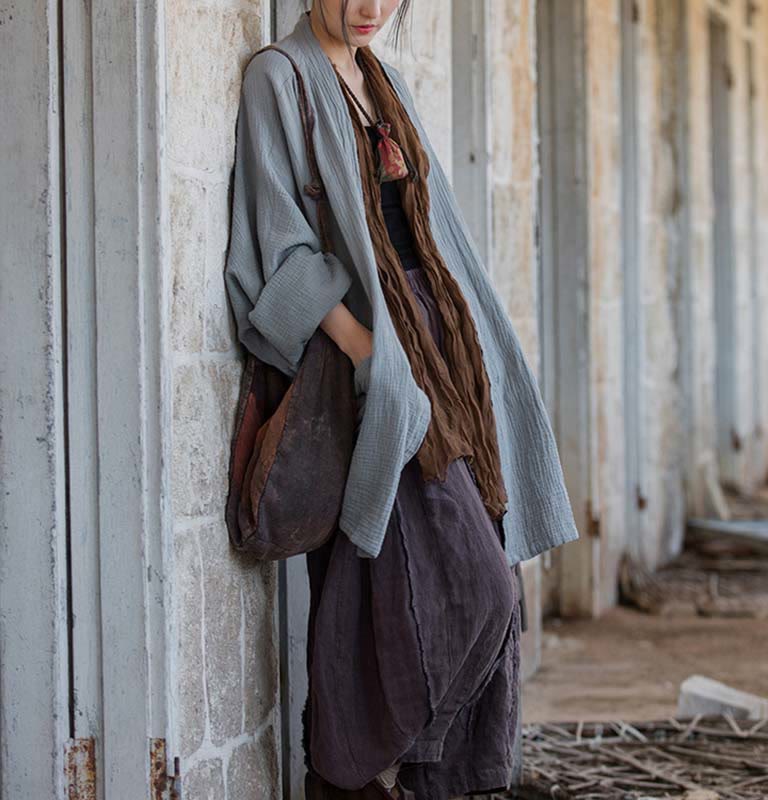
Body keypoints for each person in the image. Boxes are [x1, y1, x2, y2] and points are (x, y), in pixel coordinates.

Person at [224, 2, 580, 798]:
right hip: (372, 369)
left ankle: (421, 780)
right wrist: (370, 355)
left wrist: (457, 349)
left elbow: (432, 235)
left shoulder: (384, 84)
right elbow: (278, 246)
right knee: (443, 583)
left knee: (450, 582)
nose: (370, 7)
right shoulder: (278, 82)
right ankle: (352, 771)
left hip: (439, 359)